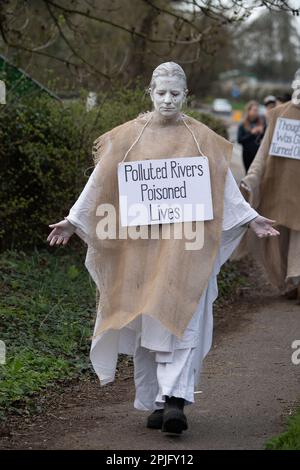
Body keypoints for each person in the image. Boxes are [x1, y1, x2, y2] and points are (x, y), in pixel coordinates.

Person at [47, 62, 279, 435]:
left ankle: (175, 401)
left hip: (187, 247)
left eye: (175, 93)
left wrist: (250, 218)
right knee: (146, 321)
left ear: (186, 95)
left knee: (182, 317)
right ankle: (156, 401)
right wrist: (74, 220)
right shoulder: (126, 139)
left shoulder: (202, 138)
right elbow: (99, 181)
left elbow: (224, 188)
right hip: (141, 248)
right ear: (150, 93)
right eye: (161, 92)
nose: (168, 100)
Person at [238, 69, 300, 301]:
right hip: (280, 187)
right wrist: (251, 178)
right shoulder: (278, 115)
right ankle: (289, 281)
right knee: (279, 241)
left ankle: (297, 279)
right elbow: (263, 153)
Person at [238, 100, 266, 172]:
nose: (256, 112)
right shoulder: (242, 124)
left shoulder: (261, 123)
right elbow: (240, 140)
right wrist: (252, 133)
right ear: (249, 110)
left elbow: (264, 139)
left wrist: (262, 132)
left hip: (258, 154)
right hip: (247, 154)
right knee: (248, 173)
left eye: (257, 110)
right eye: (254, 110)